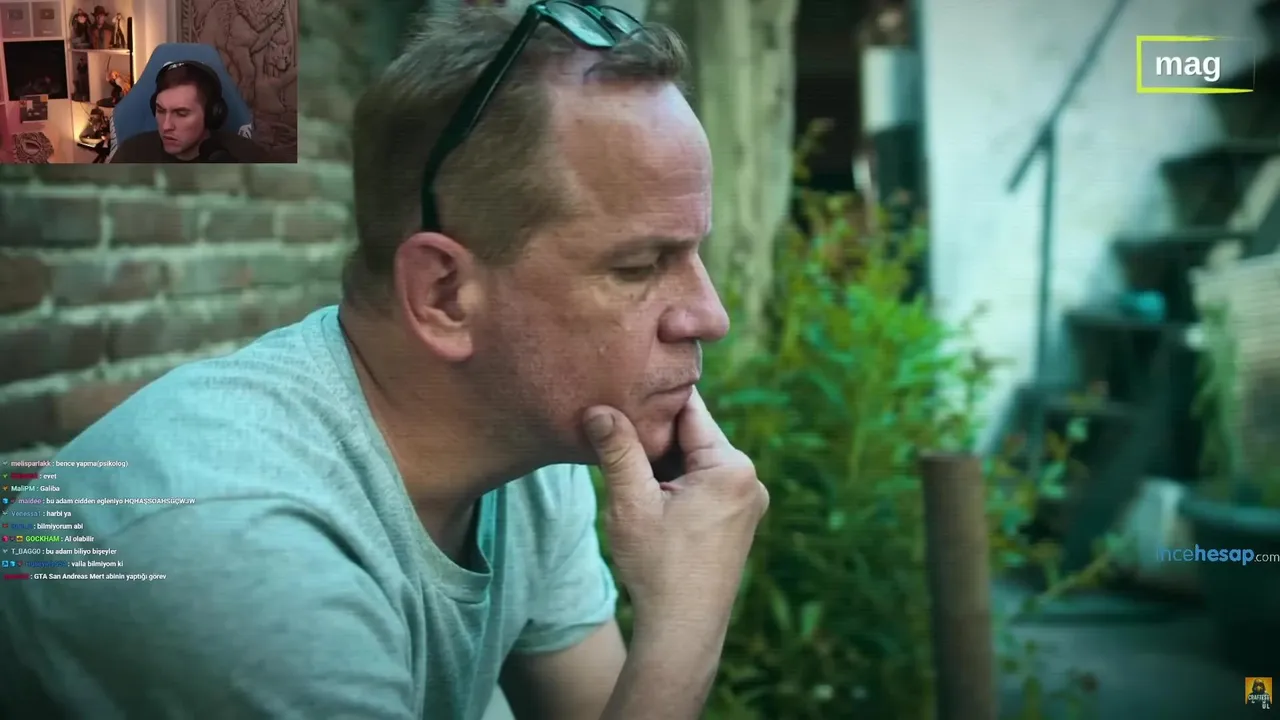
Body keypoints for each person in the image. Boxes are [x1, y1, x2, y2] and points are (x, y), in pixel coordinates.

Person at [0, 3, 767, 719]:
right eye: (639, 266)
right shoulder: (236, 549)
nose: (710, 317)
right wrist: (685, 622)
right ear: (443, 294)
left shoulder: (530, 451)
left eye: (691, 255)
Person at [109, 59, 269, 163]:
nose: (166, 126)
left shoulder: (247, 157)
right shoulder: (131, 155)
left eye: (181, 113)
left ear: (211, 114)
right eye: (161, 110)